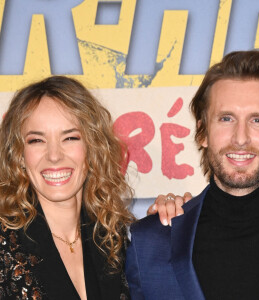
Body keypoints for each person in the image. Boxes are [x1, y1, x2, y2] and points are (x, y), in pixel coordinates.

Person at [125, 50, 259, 300]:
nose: (240, 138)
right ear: (203, 132)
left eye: (258, 120)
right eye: (226, 118)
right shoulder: (149, 242)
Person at [0, 76, 172, 300]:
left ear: (93, 148)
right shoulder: (5, 244)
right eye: (36, 141)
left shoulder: (111, 237)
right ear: (19, 156)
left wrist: (166, 227)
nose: (54, 156)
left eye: (70, 138)